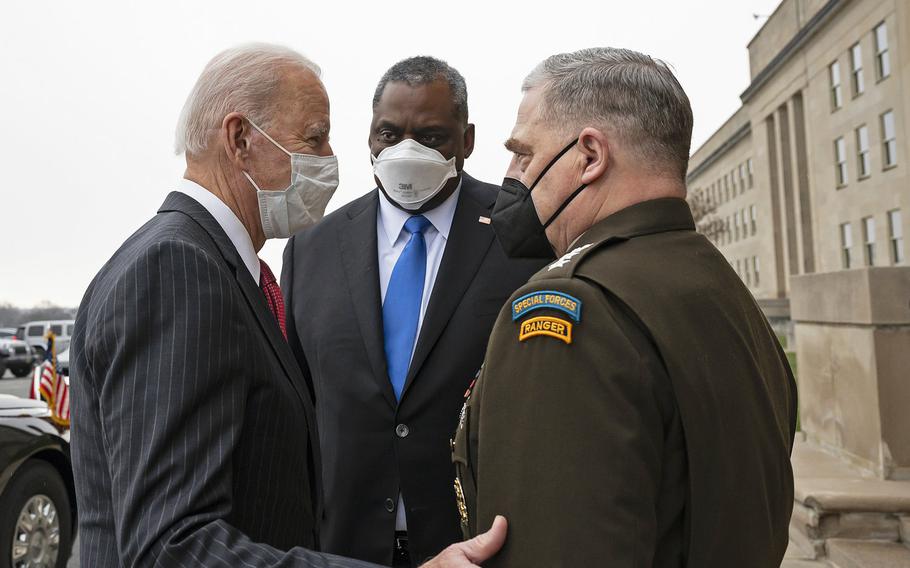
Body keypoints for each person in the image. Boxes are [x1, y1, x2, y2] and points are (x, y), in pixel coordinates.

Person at [70, 43, 506, 568]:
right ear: (240, 139)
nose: (329, 161)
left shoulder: (216, 264)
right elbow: (172, 546)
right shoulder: (177, 269)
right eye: (314, 138)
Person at [453, 47, 798, 567]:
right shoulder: (723, 289)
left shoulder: (572, 306)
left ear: (590, 156)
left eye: (524, 154)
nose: (511, 174)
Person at [282, 56, 548, 567]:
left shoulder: (526, 238)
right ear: (369, 137)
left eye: (430, 136)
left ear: (466, 140)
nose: (406, 151)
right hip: (343, 550)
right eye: (389, 133)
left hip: (480, 548)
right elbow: (299, 407)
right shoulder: (311, 247)